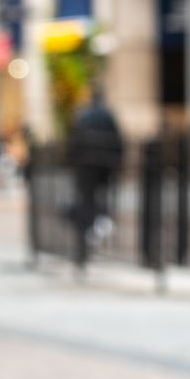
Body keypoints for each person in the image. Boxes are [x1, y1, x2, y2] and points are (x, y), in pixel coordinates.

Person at [68, 86, 124, 266]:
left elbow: (74, 142)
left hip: (86, 166)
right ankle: (99, 224)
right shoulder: (107, 115)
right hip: (104, 165)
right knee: (101, 197)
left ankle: (90, 230)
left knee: (87, 199)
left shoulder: (84, 115)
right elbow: (117, 141)